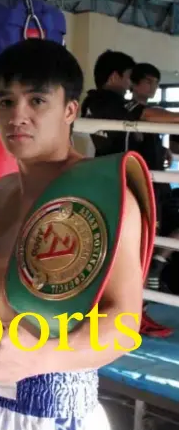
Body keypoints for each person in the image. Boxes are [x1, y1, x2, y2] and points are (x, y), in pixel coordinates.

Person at [0, 39, 150, 429]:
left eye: (37, 101)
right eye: (5, 102)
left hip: (59, 408)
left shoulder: (104, 193)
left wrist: (40, 358)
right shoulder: (1, 191)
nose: (17, 116)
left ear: (70, 110)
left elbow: (124, 324)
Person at [82, 53, 179, 337]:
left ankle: (133, 310)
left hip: (126, 182)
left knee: (132, 248)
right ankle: (133, 314)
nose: (129, 84)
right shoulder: (105, 100)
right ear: (115, 77)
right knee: (135, 248)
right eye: (127, 78)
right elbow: (147, 115)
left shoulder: (97, 103)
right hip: (129, 185)